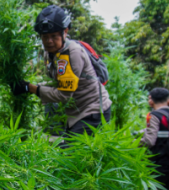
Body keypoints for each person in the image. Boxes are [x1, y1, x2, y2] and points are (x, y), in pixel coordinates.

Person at [11, 5, 112, 135]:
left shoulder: (72, 53)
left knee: (69, 153)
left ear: (65, 32)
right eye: (45, 37)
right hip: (77, 112)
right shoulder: (51, 54)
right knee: (63, 149)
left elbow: (63, 95)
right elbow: (58, 83)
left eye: (54, 36)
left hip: (93, 112)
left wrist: (30, 88)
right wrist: (30, 86)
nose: (49, 41)